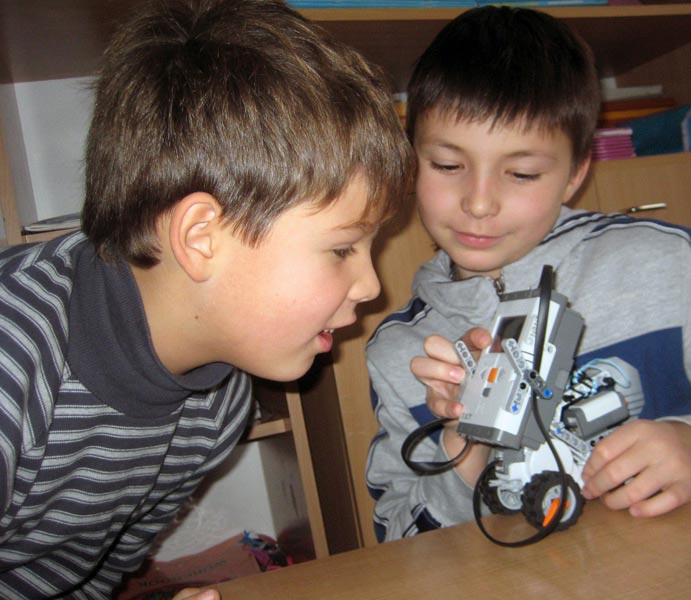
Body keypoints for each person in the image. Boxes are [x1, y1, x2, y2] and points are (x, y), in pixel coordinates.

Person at [0, 0, 412, 597]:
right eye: (342, 248)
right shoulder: (12, 363)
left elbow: (88, 577)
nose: (372, 286)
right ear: (201, 238)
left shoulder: (218, 406)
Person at [365, 5, 691, 543]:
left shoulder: (654, 267)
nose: (478, 203)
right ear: (411, 162)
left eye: (522, 172)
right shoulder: (400, 355)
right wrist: (461, 456)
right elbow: (399, 539)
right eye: (448, 166)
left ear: (575, 174)